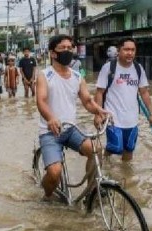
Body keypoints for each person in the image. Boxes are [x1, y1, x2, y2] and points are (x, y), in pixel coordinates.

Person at [36, 35, 108, 201]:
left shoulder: (77, 76)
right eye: (63, 48)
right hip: (50, 132)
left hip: (71, 130)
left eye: (70, 48)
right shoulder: (45, 75)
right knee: (54, 173)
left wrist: (99, 111)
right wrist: (51, 118)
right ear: (53, 53)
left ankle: (91, 191)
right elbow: (41, 101)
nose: (68, 51)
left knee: (96, 149)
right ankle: (46, 195)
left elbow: (87, 101)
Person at [94, 38, 152, 162]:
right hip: (112, 118)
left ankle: (127, 176)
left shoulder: (138, 69)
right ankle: (105, 167)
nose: (130, 53)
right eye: (126, 49)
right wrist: (98, 114)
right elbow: (99, 92)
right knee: (115, 148)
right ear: (119, 51)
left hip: (132, 119)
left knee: (129, 149)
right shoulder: (109, 68)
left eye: (133, 50)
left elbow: (144, 92)